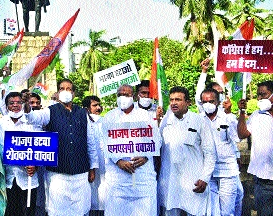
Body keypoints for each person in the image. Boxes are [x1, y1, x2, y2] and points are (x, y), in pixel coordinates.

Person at [25, 79, 98, 216]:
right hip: (57, 174)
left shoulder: (83, 113)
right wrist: (27, 108)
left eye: (69, 89)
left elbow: (90, 142)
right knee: (57, 210)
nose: (66, 91)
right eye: (62, 88)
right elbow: (33, 118)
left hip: (81, 171)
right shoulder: (49, 111)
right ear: (58, 93)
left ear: (74, 93)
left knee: (81, 209)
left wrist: (92, 167)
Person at [100, 84, 160, 216]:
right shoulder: (109, 117)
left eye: (126, 95)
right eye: (120, 94)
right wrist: (118, 161)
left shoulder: (145, 116)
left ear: (133, 96)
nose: (123, 97)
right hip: (118, 177)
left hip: (142, 176)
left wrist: (145, 156)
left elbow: (157, 139)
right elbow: (103, 142)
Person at [158, 86, 216, 216]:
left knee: (195, 212)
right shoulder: (165, 122)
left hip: (194, 181)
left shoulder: (199, 121)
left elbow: (210, 153)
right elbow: (157, 148)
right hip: (170, 181)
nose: (173, 103)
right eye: (171, 100)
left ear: (188, 102)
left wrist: (205, 178)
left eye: (178, 99)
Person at [199, 88, 242, 215]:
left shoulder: (227, 118)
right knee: (212, 211)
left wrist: (233, 115)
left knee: (227, 211)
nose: (208, 104)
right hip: (208, 173)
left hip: (227, 172)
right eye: (204, 101)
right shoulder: (198, 120)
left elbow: (237, 137)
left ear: (218, 102)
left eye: (211, 101)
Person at [0, 92, 41, 216]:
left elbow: (42, 148)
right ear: (6, 106)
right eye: (11, 103)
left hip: (28, 179)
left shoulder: (31, 123)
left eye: (18, 103)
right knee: (10, 212)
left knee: (28, 212)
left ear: (23, 105)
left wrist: (36, 165)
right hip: (8, 179)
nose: (15, 106)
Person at [237, 80, 273, 216]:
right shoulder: (256, 116)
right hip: (264, 179)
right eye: (258, 95)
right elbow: (242, 134)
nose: (259, 98)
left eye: (263, 95)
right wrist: (242, 112)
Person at [82, 95, 105, 216]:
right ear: (86, 108)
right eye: (94, 105)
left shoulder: (104, 121)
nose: (98, 108)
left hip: (104, 166)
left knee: (102, 195)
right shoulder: (81, 123)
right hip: (87, 165)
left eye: (99, 105)